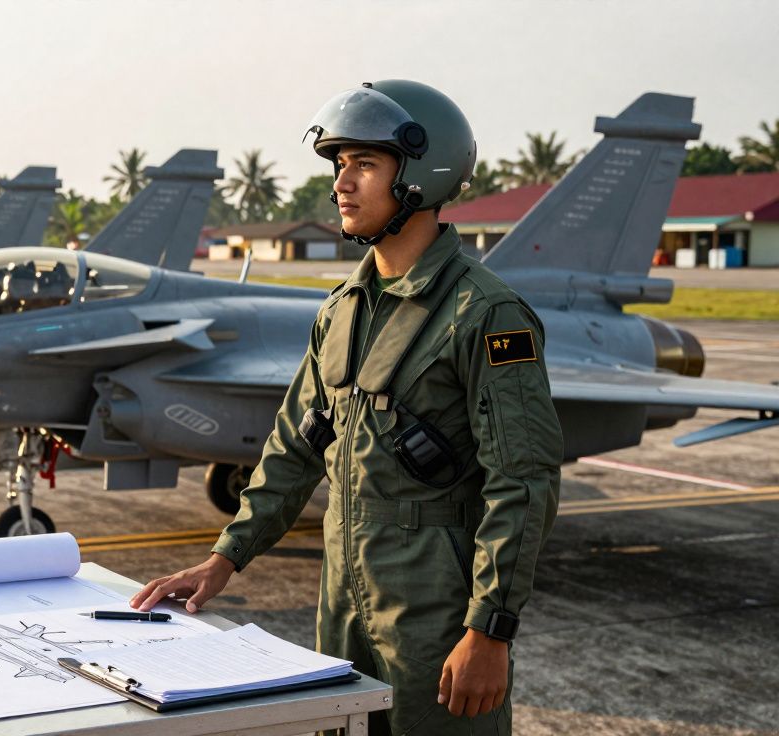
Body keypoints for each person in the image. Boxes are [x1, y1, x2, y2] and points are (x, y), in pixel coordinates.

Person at [131, 80, 563, 735]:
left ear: (420, 174)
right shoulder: (341, 312)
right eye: (339, 165)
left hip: (435, 605)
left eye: (364, 164)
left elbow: (523, 481)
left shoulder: (486, 315)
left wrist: (491, 629)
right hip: (342, 593)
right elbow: (294, 447)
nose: (342, 183)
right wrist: (226, 557)